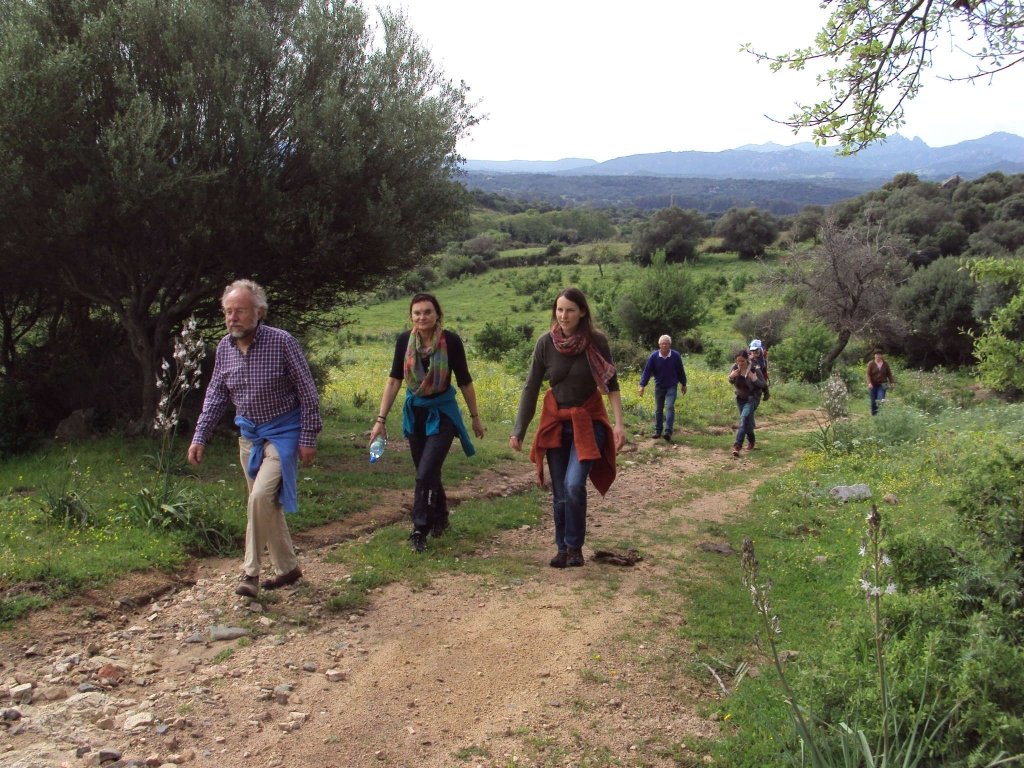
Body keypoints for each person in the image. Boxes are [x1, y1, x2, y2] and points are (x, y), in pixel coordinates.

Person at [188, 279, 321, 598]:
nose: (233, 318)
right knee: (265, 505)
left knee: (259, 498)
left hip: (284, 433)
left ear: (259, 312)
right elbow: (216, 394)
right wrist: (200, 436)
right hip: (249, 437)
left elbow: (307, 392)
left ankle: (250, 573)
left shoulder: (282, 342)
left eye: (240, 311)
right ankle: (288, 568)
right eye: (228, 312)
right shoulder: (224, 347)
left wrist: (308, 437)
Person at [510, 287, 626, 568]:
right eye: (559, 310)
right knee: (560, 490)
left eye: (570, 310)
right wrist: (519, 430)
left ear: (582, 312)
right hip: (556, 424)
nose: (564, 315)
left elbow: (611, 383)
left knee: (574, 485)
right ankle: (563, 549)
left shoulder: (596, 341)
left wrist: (618, 424)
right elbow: (531, 386)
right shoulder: (545, 343)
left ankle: (575, 546)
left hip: (588, 422)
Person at [369, 293, 485, 553]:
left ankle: (419, 528)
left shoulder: (451, 341)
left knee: (425, 473)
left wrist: (475, 417)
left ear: (437, 315)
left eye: (427, 312)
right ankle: (441, 518)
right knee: (427, 471)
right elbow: (394, 380)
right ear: (411, 316)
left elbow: (465, 380)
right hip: (416, 415)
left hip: (443, 414)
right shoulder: (404, 342)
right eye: (417, 312)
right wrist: (380, 420)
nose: (422, 317)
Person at [639, 334, 687, 442]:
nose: (664, 345)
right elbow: (647, 371)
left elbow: (680, 371)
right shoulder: (654, 356)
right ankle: (658, 431)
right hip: (659, 386)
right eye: (662, 343)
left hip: (672, 386)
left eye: (666, 343)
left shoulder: (675, 356)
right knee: (658, 410)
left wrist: (684, 384)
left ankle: (668, 432)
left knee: (670, 407)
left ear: (670, 344)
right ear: (659, 345)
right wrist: (642, 385)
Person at [728, 349, 766, 456]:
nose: (740, 364)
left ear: (747, 360)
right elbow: (730, 381)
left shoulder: (754, 369)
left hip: (752, 398)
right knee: (747, 422)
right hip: (740, 398)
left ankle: (737, 446)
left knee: (743, 419)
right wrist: (731, 376)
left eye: (742, 361)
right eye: (738, 361)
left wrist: (754, 379)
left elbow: (763, 384)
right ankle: (752, 440)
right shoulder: (735, 368)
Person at [866, 348, 895, 416]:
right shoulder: (871, 364)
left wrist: (892, 382)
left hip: (883, 384)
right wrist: (869, 383)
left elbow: (889, 374)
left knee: (880, 400)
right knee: (873, 402)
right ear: (874, 356)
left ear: (881, 356)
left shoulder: (885, 364)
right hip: (873, 384)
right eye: (876, 355)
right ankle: (874, 415)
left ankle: (880, 416)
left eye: (879, 355)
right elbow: (868, 374)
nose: (878, 356)